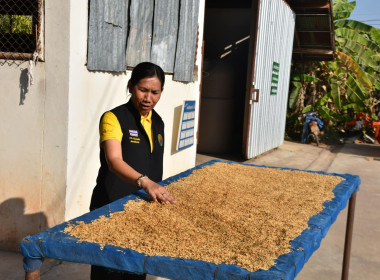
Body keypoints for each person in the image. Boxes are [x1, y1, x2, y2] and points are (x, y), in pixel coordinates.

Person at [90, 62, 176, 280]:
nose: (148, 98)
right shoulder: (113, 118)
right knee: (110, 270)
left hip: (143, 209)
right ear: (130, 86)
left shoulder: (158, 122)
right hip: (112, 205)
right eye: (143, 90)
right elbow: (114, 160)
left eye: (155, 92)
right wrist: (145, 182)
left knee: (137, 270)